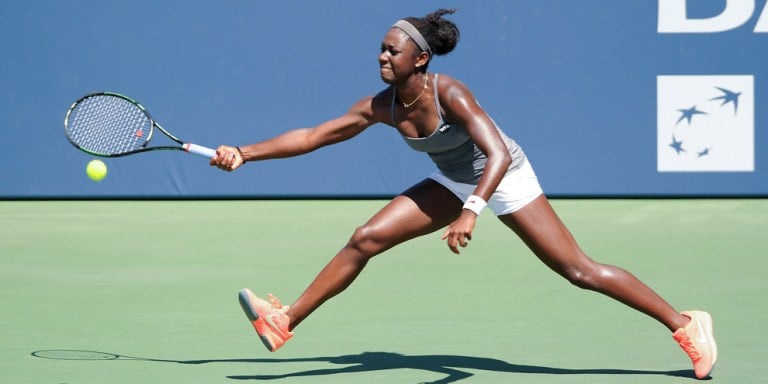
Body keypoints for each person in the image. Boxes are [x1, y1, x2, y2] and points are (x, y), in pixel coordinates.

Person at [210, 9, 717, 379]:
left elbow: (495, 154)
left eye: (393, 50)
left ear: (420, 58)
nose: (383, 55)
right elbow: (314, 135)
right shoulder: (382, 105)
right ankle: (285, 320)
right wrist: (244, 151)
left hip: (504, 174)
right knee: (365, 238)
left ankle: (685, 323)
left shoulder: (449, 92)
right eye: (382, 48)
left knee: (578, 270)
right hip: (453, 179)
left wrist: (472, 211)